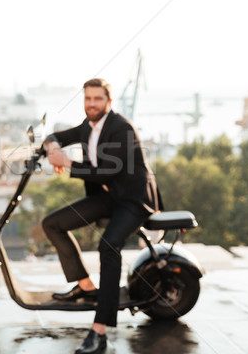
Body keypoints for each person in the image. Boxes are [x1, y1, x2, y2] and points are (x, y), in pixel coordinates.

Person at [41, 78, 161, 354]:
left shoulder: (122, 128)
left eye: (97, 99)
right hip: (109, 196)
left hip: (133, 199)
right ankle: (85, 286)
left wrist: (67, 163)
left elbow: (107, 171)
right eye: (87, 99)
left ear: (109, 101)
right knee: (53, 224)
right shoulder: (88, 126)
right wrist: (51, 147)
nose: (92, 104)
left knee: (108, 246)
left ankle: (99, 330)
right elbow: (57, 136)